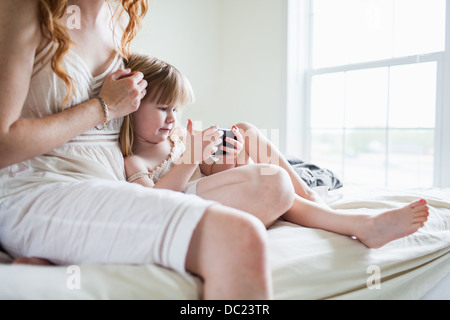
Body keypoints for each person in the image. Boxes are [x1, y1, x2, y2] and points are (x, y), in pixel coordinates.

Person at [0, 0, 298, 299]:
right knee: (239, 236)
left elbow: (135, 117)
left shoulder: (117, 19)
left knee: (261, 197)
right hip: (40, 191)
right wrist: (102, 107)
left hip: (110, 189)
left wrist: (192, 146)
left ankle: (58, 259)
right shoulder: (24, 7)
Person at [121, 53, 431, 250]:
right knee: (273, 181)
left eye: (176, 108)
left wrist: (227, 155)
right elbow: (155, 205)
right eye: (163, 108)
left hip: (225, 194)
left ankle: (311, 197)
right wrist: (191, 158)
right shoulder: (134, 158)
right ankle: (358, 224)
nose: (172, 117)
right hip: (198, 211)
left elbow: (217, 175)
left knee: (244, 129)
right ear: (132, 108)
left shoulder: (177, 137)